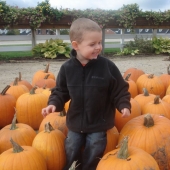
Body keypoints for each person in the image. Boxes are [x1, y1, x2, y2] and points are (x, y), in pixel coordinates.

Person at [41, 18, 131, 170]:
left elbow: (119, 89)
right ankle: (72, 168)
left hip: (98, 122)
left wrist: (124, 105)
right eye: (92, 44)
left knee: (95, 146)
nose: (98, 47)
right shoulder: (67, 69)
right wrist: (53, 104)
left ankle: (89, 168)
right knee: (71, 145)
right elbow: (61, 91)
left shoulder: (107, 66)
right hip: (76, 122)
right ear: (76, 45)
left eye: (99, 43)